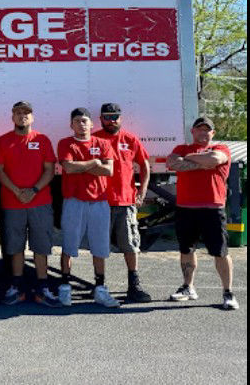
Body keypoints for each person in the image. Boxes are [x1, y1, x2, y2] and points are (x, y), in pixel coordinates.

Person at [167, 116, 238, 310]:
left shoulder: (220, 149)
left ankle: (228, 292)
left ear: (212, 133)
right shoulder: (180, 149)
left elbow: (215, 159)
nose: (203, 132)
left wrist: (189, 161)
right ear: (193, 131)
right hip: (186, 208)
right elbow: (173, 163)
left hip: (212, 208)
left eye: (207, 130)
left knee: (220, 252)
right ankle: (188, 287)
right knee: (186, 250)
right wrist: (203, 163)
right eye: (199, 129)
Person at [0, 101, 61, 307]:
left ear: (32, 117)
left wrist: (32, 191)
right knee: (15, 247)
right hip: (12, 203)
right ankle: (17, 287)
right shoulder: (3, 141)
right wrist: (17, 192)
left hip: (39, 202)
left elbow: (49, 170)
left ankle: (43, 287)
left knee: (41, 246)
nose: (22, 116)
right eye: (18, 113)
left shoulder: (42, 140)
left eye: (26, 113)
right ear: (12, 117)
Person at [56, 107, 119, 308]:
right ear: (71, 125)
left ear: (92, 124)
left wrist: (82, 166)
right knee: (69, 245)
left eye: (85, 121)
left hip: (99, 201)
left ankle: (100, 288)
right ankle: (64, 286)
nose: (81, 124)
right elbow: (68, 167)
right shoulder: (65, 143)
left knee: (100, 247)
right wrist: (93, 162)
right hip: (74, 201)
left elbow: (108, 170)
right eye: (77, 121)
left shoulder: (103, 143)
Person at [93, 103, 152, 303]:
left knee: (130, 244)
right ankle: (99, 286)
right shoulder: (95, 139)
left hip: (126, 201)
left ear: (121, 118)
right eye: (108, 117)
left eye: (116, 116)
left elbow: (144, 165)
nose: (112, 120)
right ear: (101, 119)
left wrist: (142, 191)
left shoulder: (130, 139)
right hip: (100, 201)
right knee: (99, 246)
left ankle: (134, 286)